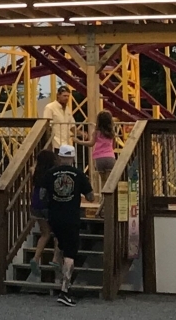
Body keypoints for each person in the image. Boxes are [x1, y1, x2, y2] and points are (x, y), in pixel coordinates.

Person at [38, 144, 91, 307]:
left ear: (60, 157)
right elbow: (90, 196)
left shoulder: (50, 173)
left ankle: (60, 281)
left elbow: (41, 195)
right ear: (73, 157)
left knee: (61, 246)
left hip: (54, 218)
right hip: (71, 217)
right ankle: (65, 290)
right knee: (70, 253)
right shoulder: (79, 174)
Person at [26, 147, 58, 276]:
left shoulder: (35, 172)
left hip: (36, 205)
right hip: (48, 205)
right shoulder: (53, 173)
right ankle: (55, 259)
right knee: (58, 233)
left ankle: (35, 258)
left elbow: (32, 168)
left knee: (45, 234)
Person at [90, 112, 117, 191]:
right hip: (110, 157)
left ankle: (103, 197)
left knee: (103, 181)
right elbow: (114, 146)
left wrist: (78, 141)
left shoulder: (96, 133)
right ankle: (110, 197)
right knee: (110, 182)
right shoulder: (111, 133)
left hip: (99, 159)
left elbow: (91, 143)